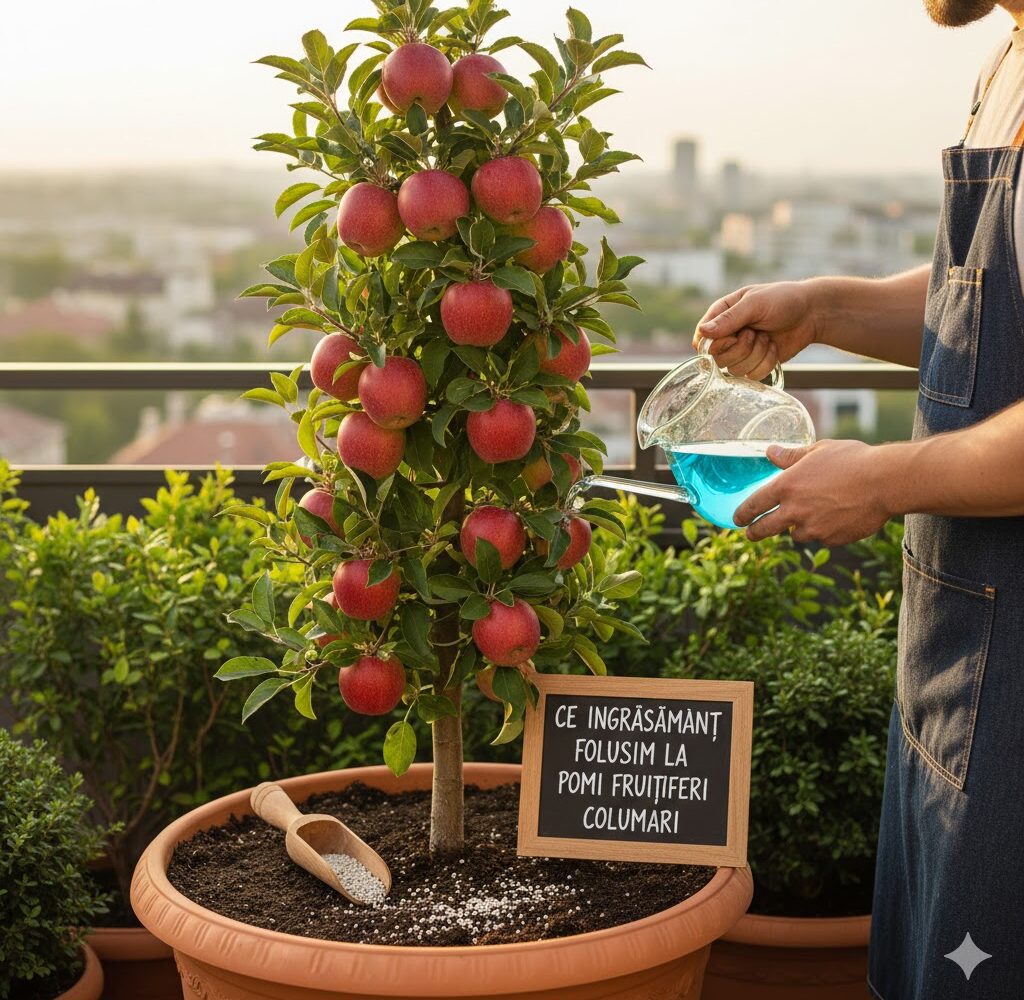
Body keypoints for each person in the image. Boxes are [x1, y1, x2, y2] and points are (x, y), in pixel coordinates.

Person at [695, 2, 1024, 997]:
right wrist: (828, 307)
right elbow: (987, 298)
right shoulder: (1005, 62)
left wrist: (883, 478)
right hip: (959, 640)